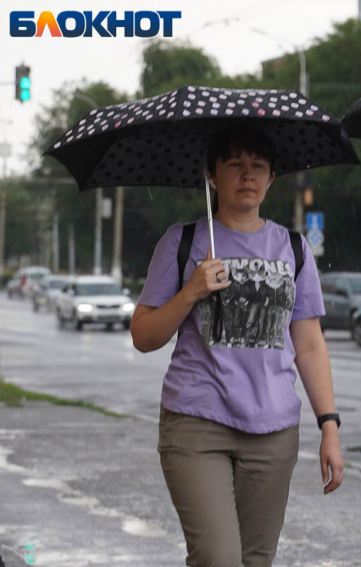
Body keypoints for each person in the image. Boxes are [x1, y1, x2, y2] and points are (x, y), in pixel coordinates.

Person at [130, 126, 344, 567]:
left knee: (255, 560)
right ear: (212, 175)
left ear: (270, 177)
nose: (247, 176)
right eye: (234, 166)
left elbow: (309, 346)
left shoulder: (295, 249)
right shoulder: (182, 241)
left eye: (258, 167)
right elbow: (143, 335)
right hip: (196, 423)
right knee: (218, 557)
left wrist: (329, 425)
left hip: (274, 430)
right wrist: (190, 292)